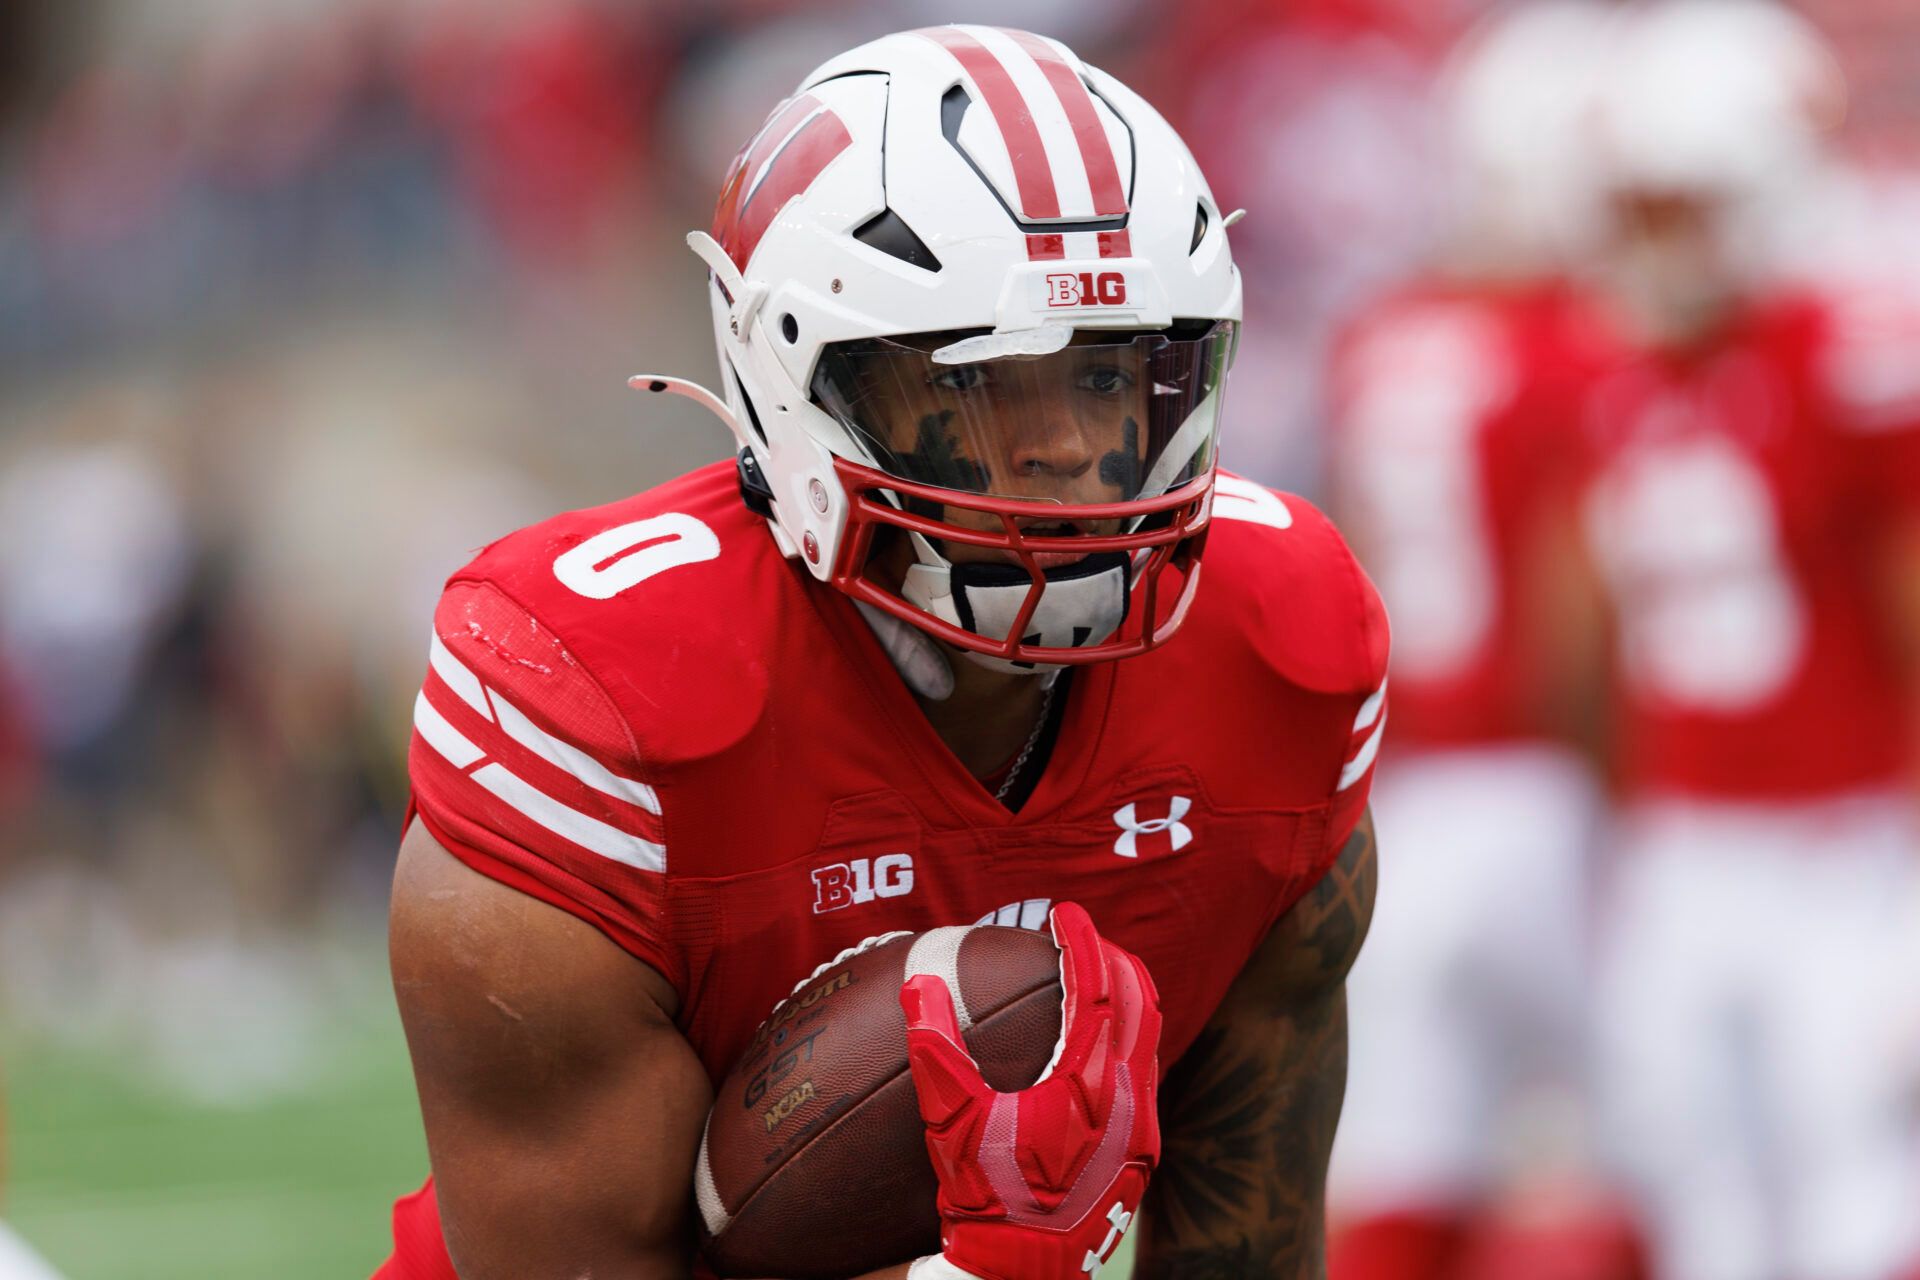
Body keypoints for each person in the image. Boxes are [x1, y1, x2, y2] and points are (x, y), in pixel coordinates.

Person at [376, 25, 1389, 1280]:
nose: (1071, 449)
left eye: (1112, 377)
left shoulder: (1278, 643)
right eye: (984, 386)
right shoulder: (594, 693)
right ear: (799, 382)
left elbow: (1248, 1249)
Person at [1575, 4, 1920, 1278]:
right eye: (1637, 206)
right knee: (1702, 1195)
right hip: (1682, 841)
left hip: (1839, 847)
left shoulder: (1850, 351)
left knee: (1853, 1180)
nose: (1649, 241)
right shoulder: (1628, 374)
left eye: (1681, 205)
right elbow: (1604, 651)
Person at [1320, 7, 1641, 1279]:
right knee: (1649, 1150)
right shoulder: (1583, 343)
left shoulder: (1381, 336)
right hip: (1553, 787)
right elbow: (1584, 613)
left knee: (1405, 1161)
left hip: (1412, 796)